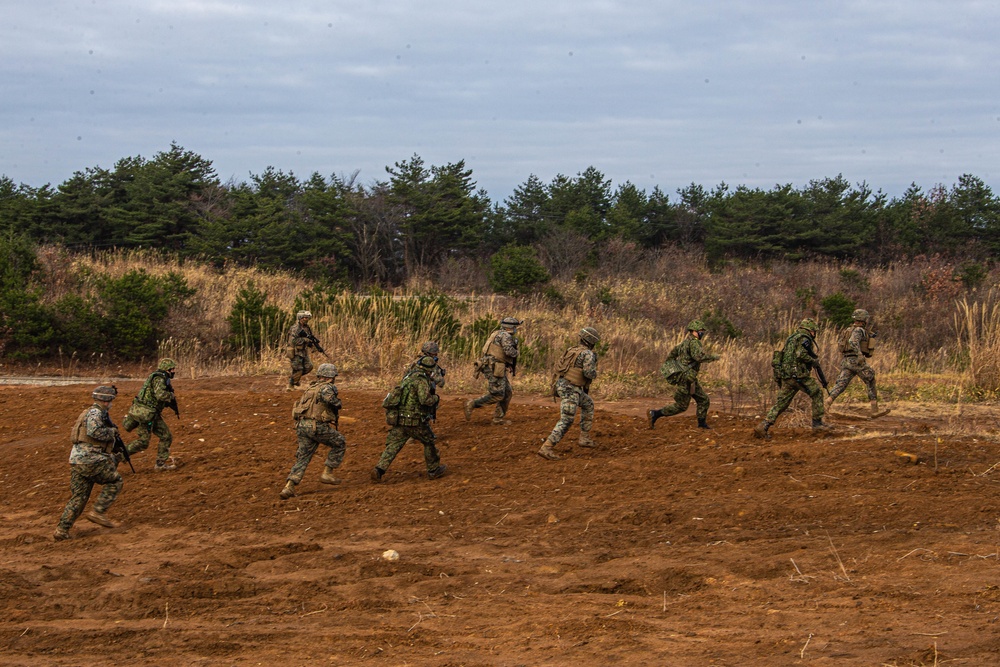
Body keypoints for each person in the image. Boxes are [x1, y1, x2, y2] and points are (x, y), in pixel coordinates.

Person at [54, 386, 125, 540]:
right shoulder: (96, 413)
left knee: (79, 497)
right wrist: (112, 433)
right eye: (111, 400)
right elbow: (95, 432)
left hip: (77, 461)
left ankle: (62, 530)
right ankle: (98, 511)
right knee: (116, 480)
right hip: (91, 460)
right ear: (106, 401)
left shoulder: (89, 412)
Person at [371, 356, 447, 483]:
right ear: (429, 370)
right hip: (415, 421)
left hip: (400, 419)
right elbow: (425, 400)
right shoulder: (421, 381)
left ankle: (379, 469)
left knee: (394, 444)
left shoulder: (408, 377)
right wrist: (436, 398)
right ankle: (433, 470)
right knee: (429, 442)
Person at [754, 318, 829, 440]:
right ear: (809, 330)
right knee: (817, 392)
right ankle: (817, 424)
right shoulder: (804, 339)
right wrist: (813, 361)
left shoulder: (792, 338)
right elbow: (801, 355)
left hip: (787, 376)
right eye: (814, 331)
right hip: (799, 376)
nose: (814, 333)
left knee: (782, 403)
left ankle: (763, 426)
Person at [280, 363, 345, 499]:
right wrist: (337, 403)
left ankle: (289, 486)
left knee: (303, 457)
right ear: (330, 377)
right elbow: (331, 400)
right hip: (316, 426)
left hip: (302, 425)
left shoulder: (311, 387)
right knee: (339, 442)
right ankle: (327, 472)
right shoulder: (327, 388)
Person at [538, 327, 600, 461]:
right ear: (592, 341)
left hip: (563, 386)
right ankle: (547, 447)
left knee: (588, 404)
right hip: (571, 389)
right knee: (567, 419)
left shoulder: (572, 350)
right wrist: (595, 373)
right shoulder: (588, 354)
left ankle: (584, 438)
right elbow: (588, 373)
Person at [647, 320, 720, 430]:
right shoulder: (695, 342)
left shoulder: (684, 343)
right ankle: (655, 414)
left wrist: (673, 367)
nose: (702, 333)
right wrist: (713, 357)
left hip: (687, 377)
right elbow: (698, 357)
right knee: (681, 406)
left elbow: (672, 353)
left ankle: (702, 424)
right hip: (687, 378)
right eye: (700, 331)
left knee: (703, 400)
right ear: (694, 331)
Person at [825, 309, 890, 418]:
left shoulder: (848, 330)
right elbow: (852, 342)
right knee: (870, 378)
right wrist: (859, 355)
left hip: (846, 361)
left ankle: (826, 404)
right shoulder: (859, 330)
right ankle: (874, 409)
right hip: (856, 361)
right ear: (863, 319)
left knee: (841, 384)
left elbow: (842, 343)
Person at [124, 358, 179, 471]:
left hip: (150, 413)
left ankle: (160, 464)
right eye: (172, 369)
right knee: (144, 442)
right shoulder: (159, 379)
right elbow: (160, 395)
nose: (173, 371)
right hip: (147, 415)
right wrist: (170, 396)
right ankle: (117, 457)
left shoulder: (157, 377)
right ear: (167, 369)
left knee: (166, 436)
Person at [465, 316, 521, 425]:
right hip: (494, 367)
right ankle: (472, 404)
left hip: (494, 365)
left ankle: (498, 418)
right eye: (515, 327)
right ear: (511, 327)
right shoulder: (506, 336)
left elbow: (497, 352)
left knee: (507, 392)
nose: (516, 329)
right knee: (498, 394)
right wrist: (517, 352)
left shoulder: (497, 333)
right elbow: (509, 351)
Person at [287, 310, 321, 389]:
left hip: (303, 351)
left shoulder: (306, 327)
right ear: (300, 318)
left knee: (309, 367)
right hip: (295, 352)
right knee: (299, 369)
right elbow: (293, 341)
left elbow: (309, 338)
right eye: (305, 317)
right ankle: (291, 384)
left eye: (307, 318)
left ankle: (295, 379)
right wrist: (305, 340)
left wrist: (313, 346)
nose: (306, 319)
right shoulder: (295, 328)